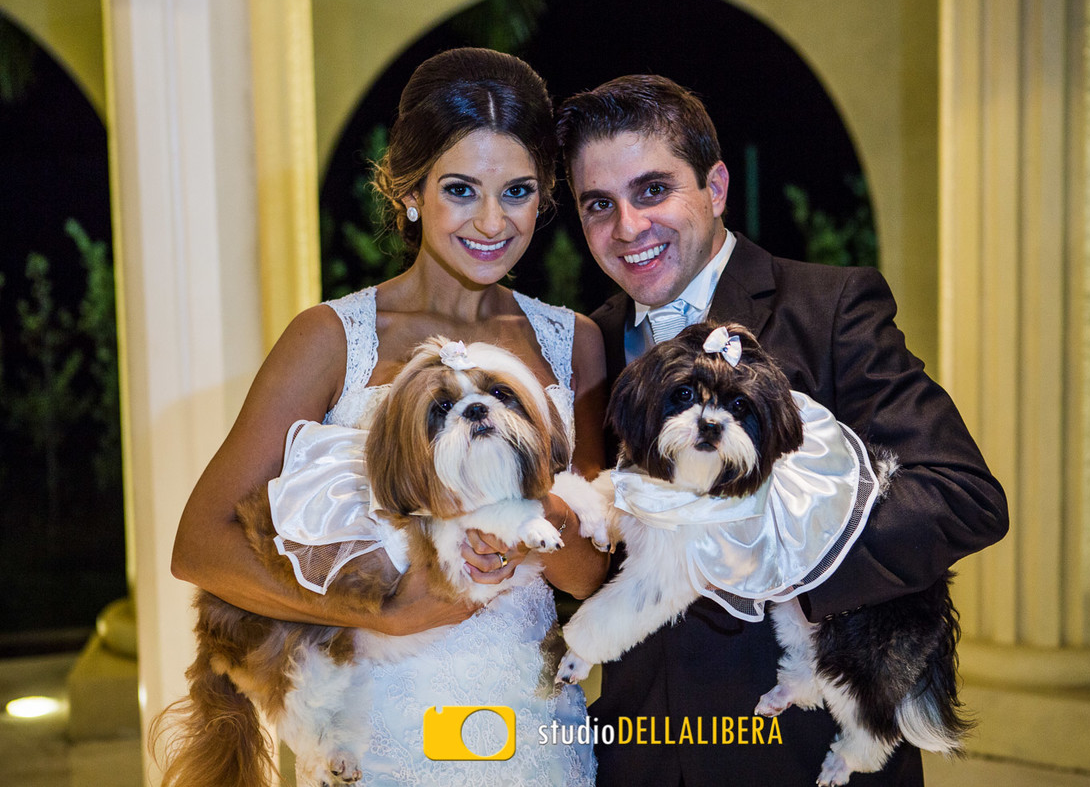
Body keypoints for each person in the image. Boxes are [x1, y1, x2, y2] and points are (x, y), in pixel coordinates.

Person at [556, 75, 1009, 785]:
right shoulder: (591, 341)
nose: (628, 228)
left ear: (716, 185)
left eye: (653, 190)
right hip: (638, 754)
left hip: (797, 749)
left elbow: (963, 495)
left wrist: (783, 569)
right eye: (598, 205)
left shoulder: (829, 308)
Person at [172, 47, 607, 785]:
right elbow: (198, 545)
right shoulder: (331, 338)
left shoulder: (575, 343)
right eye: (461, 189)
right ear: (410, 191)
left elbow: (595, 574)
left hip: (532, 733)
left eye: (519, 191)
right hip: (377, 742)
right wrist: (379, 611)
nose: (493, 221)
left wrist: (519, 517)